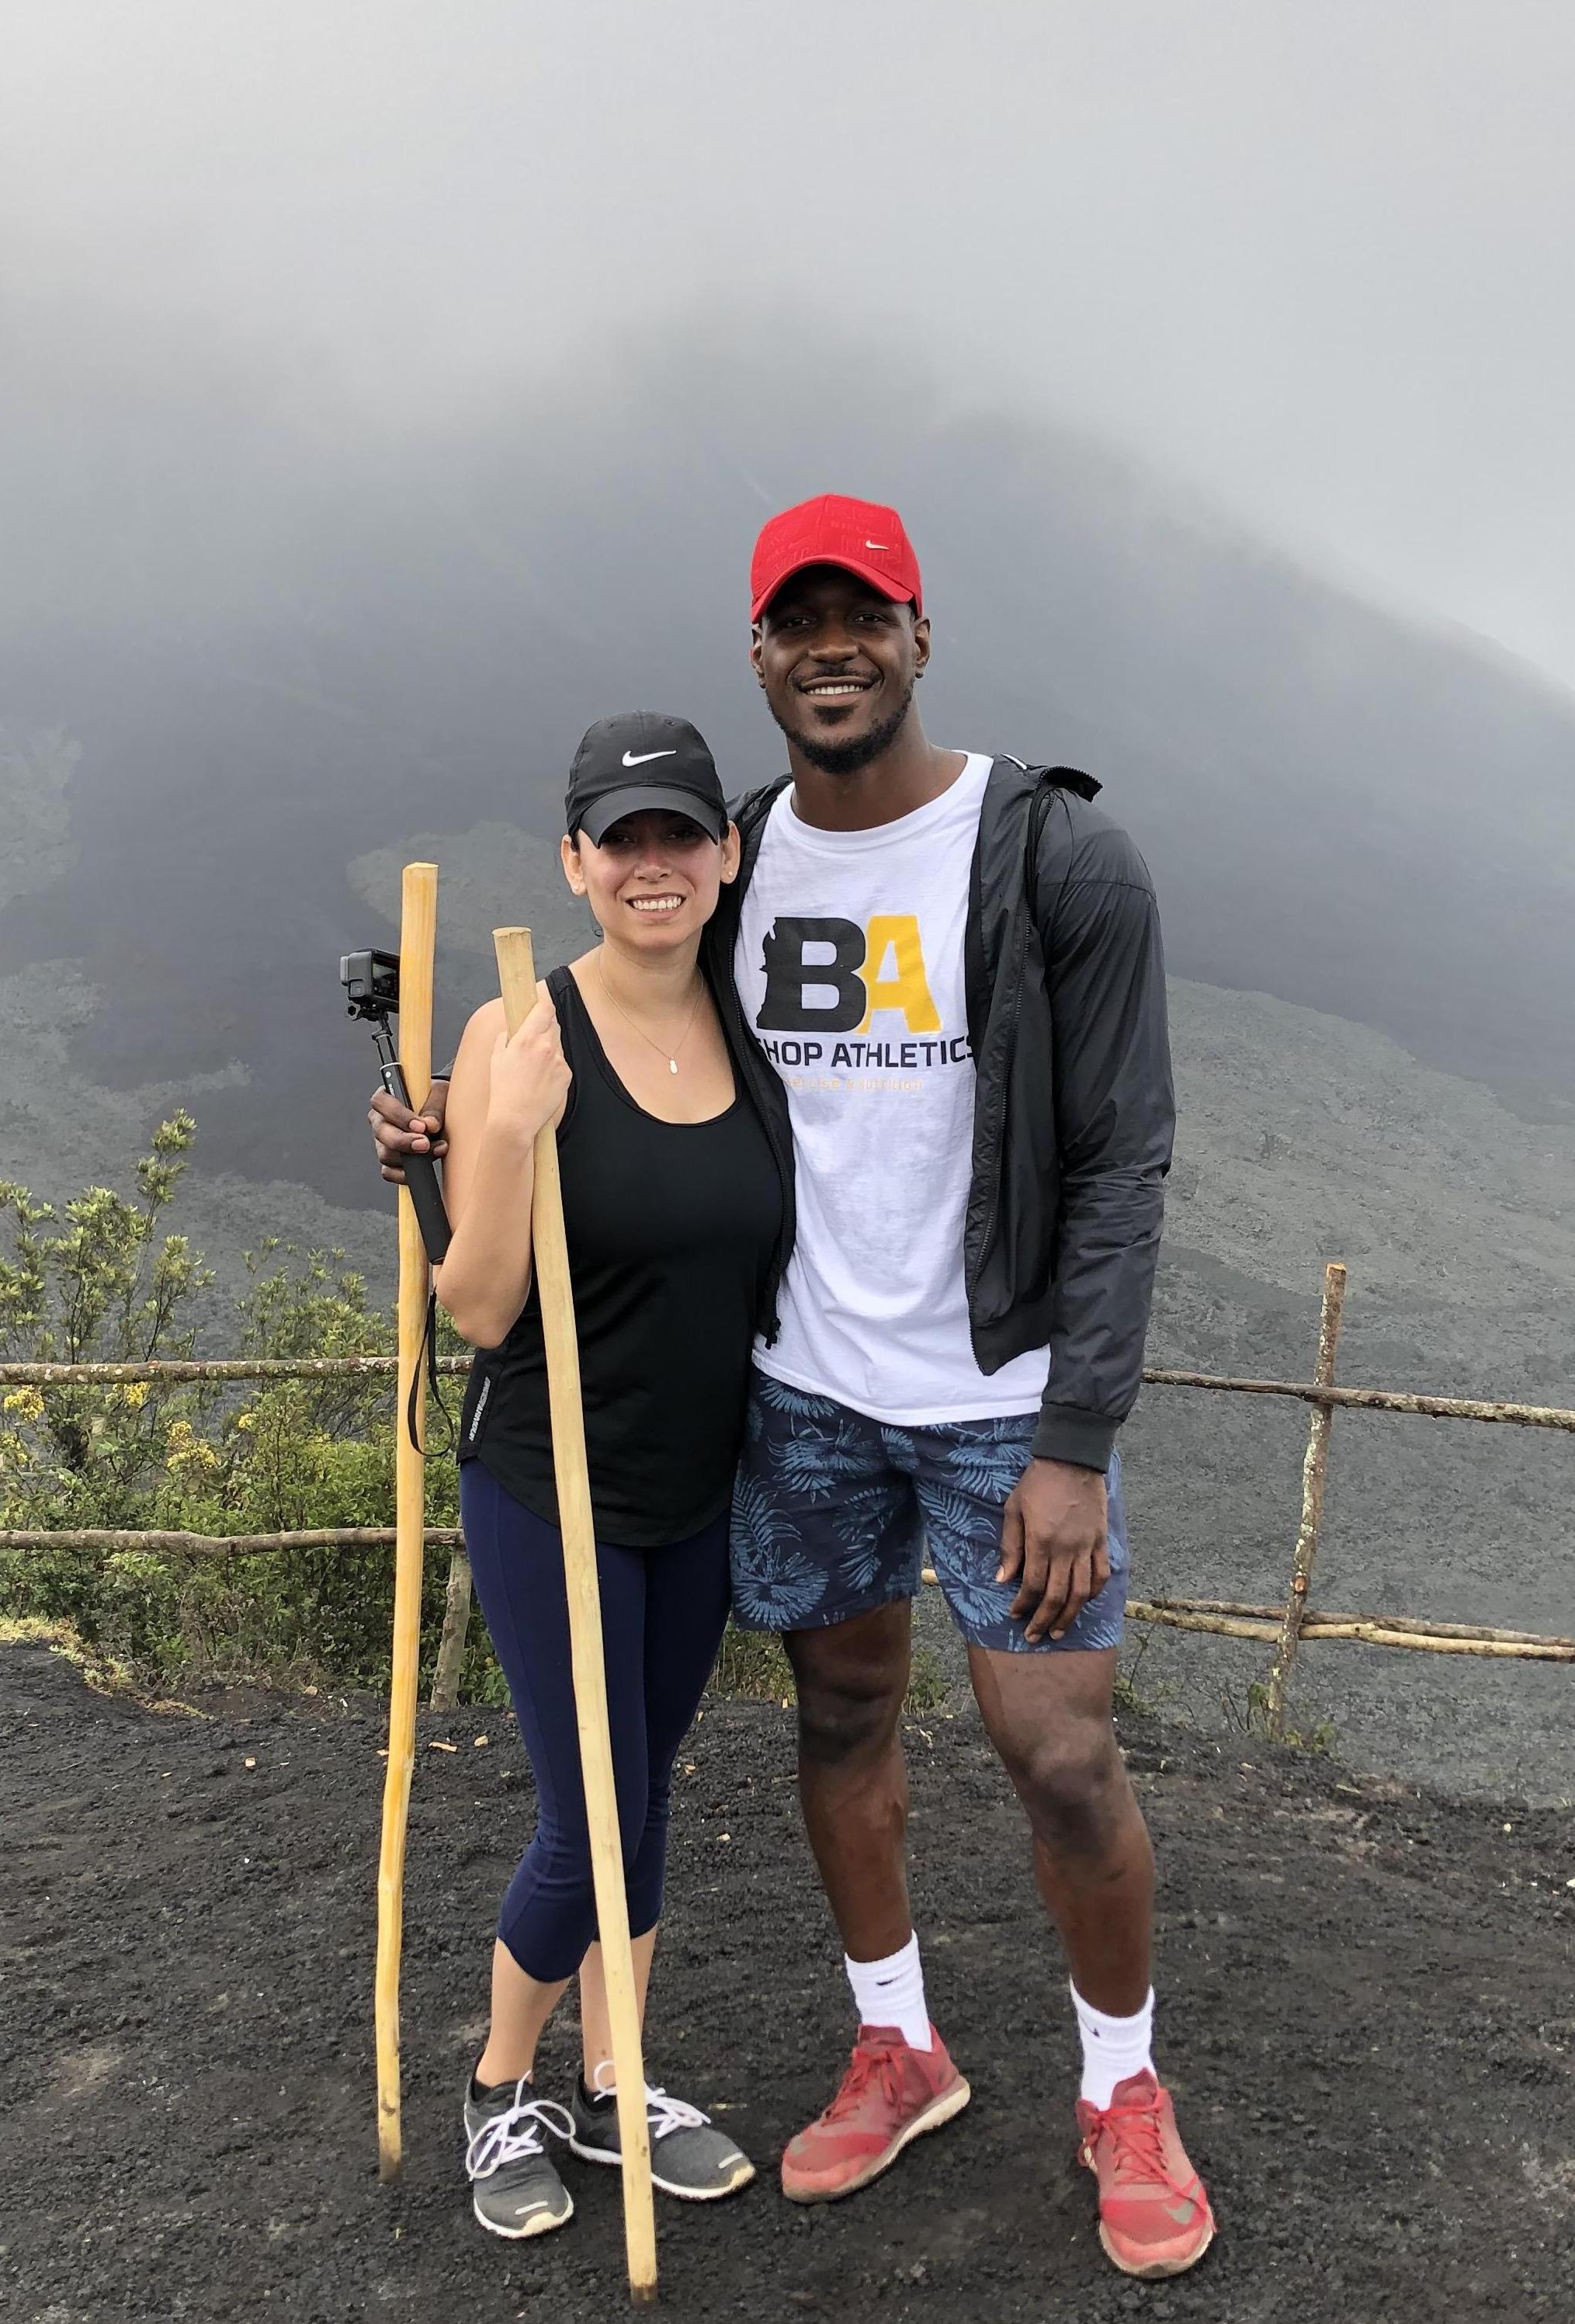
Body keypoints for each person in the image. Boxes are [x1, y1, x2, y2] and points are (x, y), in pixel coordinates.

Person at [375, 498, 1210, 2281]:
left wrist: (1079, 1439)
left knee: (1058, 1752)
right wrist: (445, 1133)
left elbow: (1126, 1159)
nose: (832, 646)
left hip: (1001, 1397)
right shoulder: (744, 859)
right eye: (796, 621)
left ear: (922, 634)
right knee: (838, 1724)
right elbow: (610, 1077)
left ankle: (1123, 2092)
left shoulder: (1056, 857)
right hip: (805, 1398)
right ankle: (896, 2042)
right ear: (759, 654)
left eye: (866, 615)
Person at [418, 710, 793, 2242]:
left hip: (694, 1498)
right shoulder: (517, 1036)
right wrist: (502, 1133)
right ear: (575, 862)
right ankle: (506, 2085)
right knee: (599, 1821)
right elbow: (481, 1304)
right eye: (621, 839)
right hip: (547, 1489)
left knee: (638, 1796)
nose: (654, 864)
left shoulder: (753, 1021)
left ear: (726, 856)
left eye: (680, 836)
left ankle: (613, 2084)